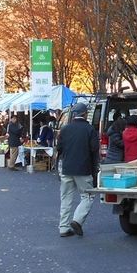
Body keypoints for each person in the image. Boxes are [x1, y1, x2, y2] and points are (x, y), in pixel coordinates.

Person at [56, 102, 99, 238]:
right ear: (85, 114)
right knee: (87, 196)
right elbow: (94, 148)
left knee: (66, 198)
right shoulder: (90, 129)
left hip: (67, 168)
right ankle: (77, 220)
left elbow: (59, 148)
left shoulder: (65, 129)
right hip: (83, 168)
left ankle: (63, 227)